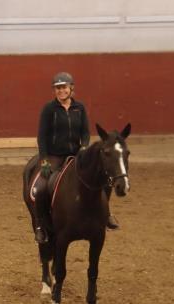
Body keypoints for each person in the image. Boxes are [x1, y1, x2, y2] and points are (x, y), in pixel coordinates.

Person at [33, 72, 118, 244]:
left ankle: (107, 215)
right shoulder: (49, 109)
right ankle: (41, 226)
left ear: (71, 88)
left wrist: (85, 146)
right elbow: (42, 136)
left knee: (104, 180)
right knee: (41, 188)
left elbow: (85, 132)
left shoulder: (80, 108)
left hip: (77, 155)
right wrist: (44, 159)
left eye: (64, 87)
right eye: (57, 88)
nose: (61, 91)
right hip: (55, 156)